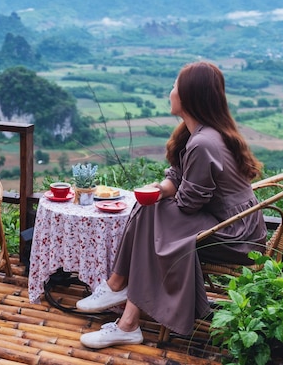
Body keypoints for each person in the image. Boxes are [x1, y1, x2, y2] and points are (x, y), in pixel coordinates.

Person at [76, 61, 267, 349]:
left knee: (153, 217)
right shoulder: (198, 133)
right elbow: (179, 178)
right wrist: (160, 189)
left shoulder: (204, 142)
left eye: (175, 86)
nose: (170, 92)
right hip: (226, 219)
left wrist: (159, 200)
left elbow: (190, 203)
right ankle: (121, 302)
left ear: (189, 96)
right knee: (150, 207)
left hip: (236, 234)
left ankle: (120, 297)